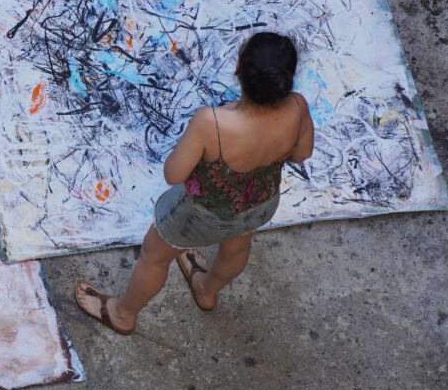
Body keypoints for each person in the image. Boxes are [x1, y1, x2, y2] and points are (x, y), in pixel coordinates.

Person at [75, 31, 314, 334]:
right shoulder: (298, 106)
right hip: (259, 205)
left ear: (238, 68)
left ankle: (123, 314)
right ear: (287, 79)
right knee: (236, 249)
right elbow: (302, 154)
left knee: (154, 256)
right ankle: (206, 290)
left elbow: (173, 175)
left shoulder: (212, 122)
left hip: (199, 215)